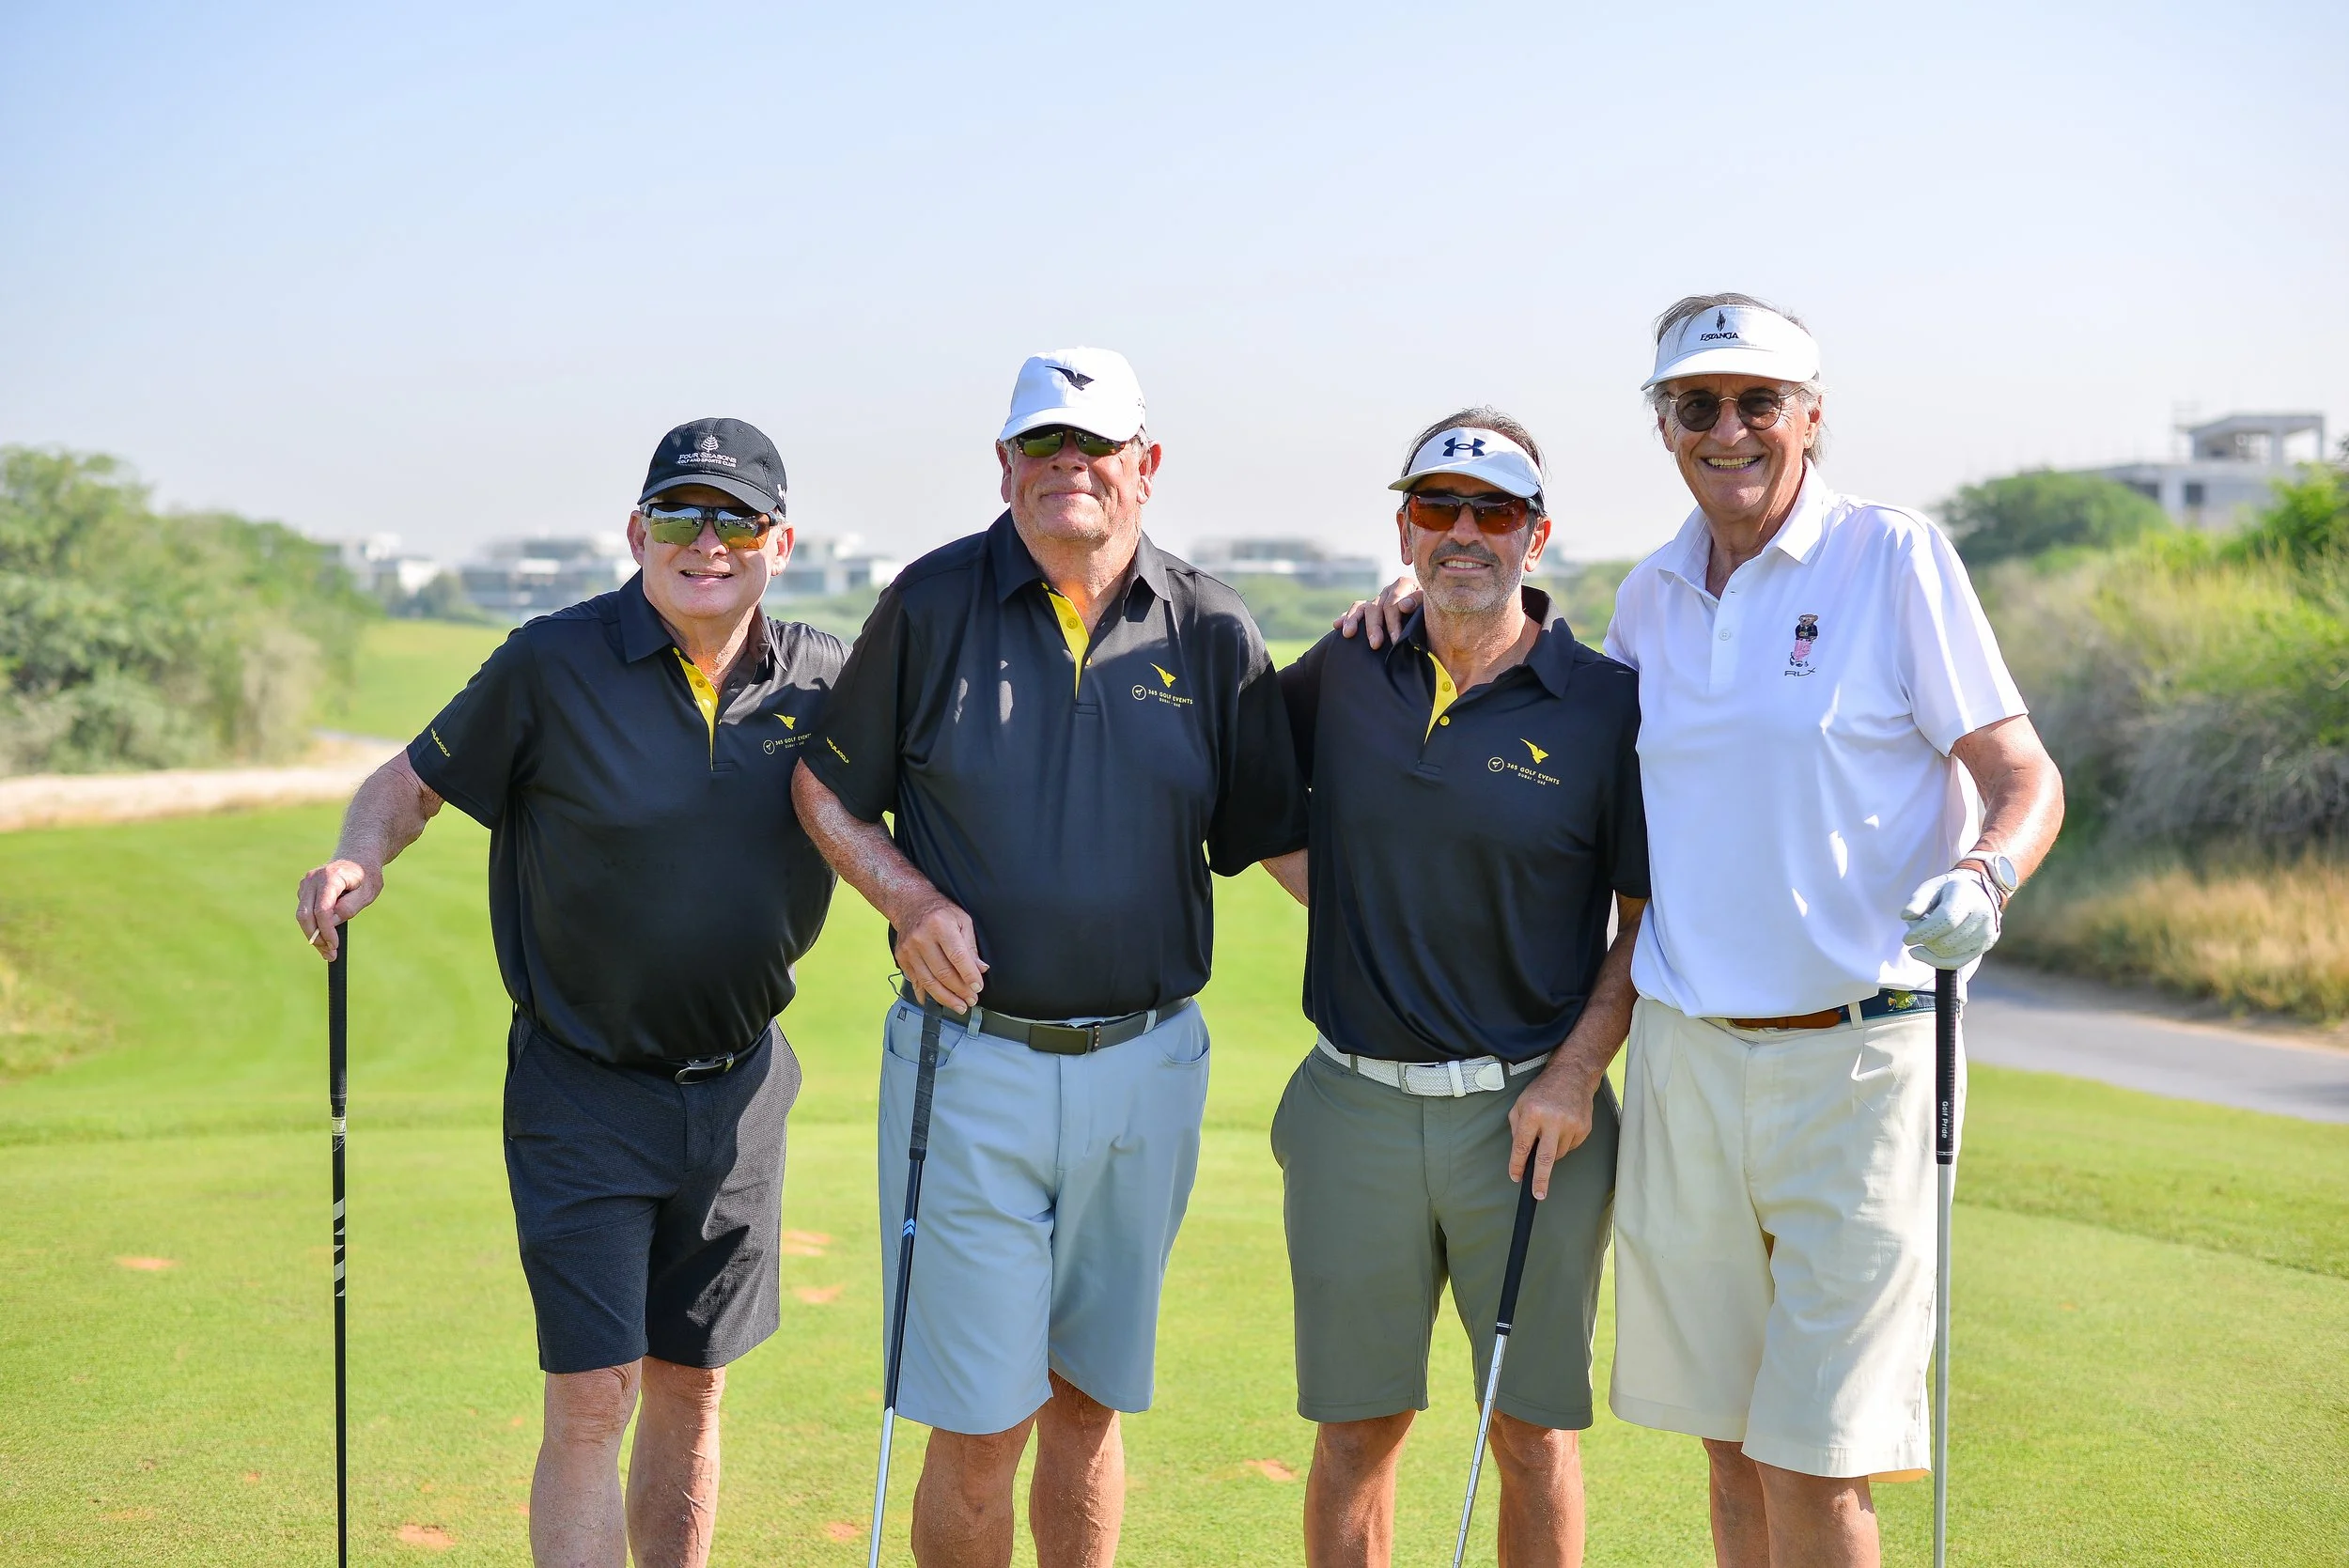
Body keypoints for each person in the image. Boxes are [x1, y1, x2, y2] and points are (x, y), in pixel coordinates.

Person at [1346, 297, 2064, 1568]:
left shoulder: (1891, 557)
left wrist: (1986, 873)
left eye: (1756, 402)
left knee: (1816, 1459)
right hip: (1688, 1058)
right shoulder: (1653, 596)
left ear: (1810, 416)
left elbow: (2021, 773)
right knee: (1729, 1450)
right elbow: (1554, 702)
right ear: (1665, 424)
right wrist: (1423, 601)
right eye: (1696, 405)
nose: (1727, 428)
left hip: (1860, 1059)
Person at [295, 417, 844, 1568]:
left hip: (741, 1091)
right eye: (680, 515)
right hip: (582, 1086)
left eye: (736, 519)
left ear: (780, 542)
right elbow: (406, 784)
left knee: (694, 1386)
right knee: (593, 1395)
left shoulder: (825, 679)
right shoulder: (553, 662)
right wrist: (360, 855)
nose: (707, 541)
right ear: (637, 533)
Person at [791, 347, 1307, 1568]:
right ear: (1006, 464)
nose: (1069, 463)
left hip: (1148, 1068)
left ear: (1147, 462)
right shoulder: (930, 604)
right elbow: (825, 787)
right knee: (980, 1424)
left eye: (1096, 443)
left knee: (1087, 1402)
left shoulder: (1213, 627)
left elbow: (1284, 844)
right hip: (970, 1061)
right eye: (1043, 442)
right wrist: (908, 898)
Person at [1266, 410, 1646, 1568]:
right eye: (1438, 506)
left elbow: (1646, 921)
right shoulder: (1346, 666)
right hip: (1353, 1109)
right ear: (1405, 530)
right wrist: (1361, 904)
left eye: (1495, 510)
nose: (1464, 531)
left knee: (1529, 1435)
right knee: (1354, 1433)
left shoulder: (1606, 704)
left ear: (1538, 534)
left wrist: (1575, 1074)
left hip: (1531, 1117)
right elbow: (1241, 795)